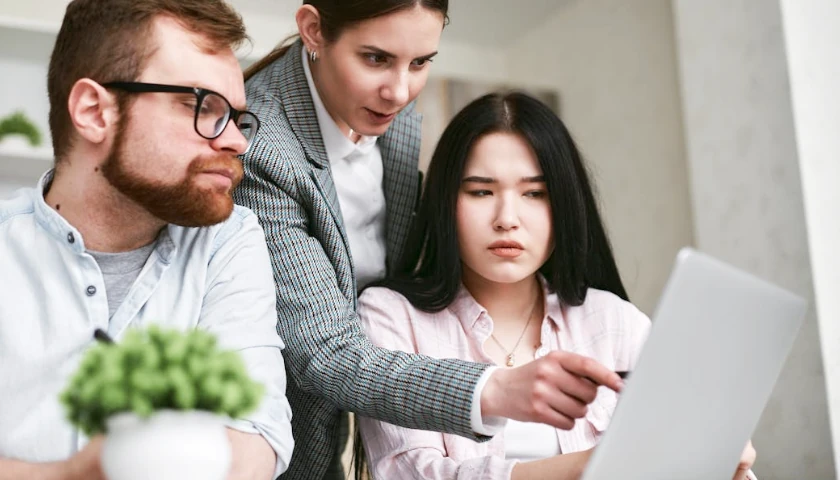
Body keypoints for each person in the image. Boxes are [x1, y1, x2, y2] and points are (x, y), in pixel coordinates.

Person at [234, 1, 627, 478]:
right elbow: (326, 352)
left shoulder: (383, 101)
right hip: (272, 445)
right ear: (313, 30)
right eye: (376, 58)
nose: (400, 92)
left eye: (421, 62)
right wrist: (494, 389)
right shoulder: (261, 147)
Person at [356, 91, 757, 480]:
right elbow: (407, 472)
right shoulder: (391, 316)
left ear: (563, 204)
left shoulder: (615, 323)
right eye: (481, 191)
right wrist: (592, 467)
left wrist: (726, 467)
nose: (507, 218)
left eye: (534, 193)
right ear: (445, 201)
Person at [0, 0, 293, 478]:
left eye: (237, 118)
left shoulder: (229, 242)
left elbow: (254, 441)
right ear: (95, 112)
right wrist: (72, 473)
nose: (237, 142)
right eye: (203, 106)